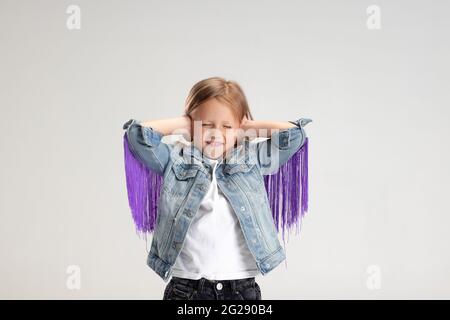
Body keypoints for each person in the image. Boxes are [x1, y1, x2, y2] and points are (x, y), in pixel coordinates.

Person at [122, 76, 312, 300]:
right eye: (207, 125)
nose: (216, 134)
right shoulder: (176, 160)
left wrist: (248, 126)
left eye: (227, 126)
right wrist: (183, 123)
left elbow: (295, 136)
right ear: (192, 126)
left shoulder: (251, 160)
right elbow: (137, 137)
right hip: (186, 288)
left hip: (240, 288)